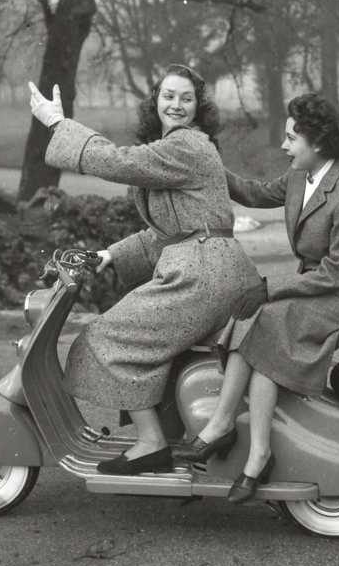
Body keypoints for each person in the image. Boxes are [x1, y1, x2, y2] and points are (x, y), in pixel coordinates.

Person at [28, 64, 259, 476]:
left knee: (104, 338)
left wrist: (58, 125)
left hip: (202, 274)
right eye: (169, 96)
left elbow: (117, 162)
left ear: (197, 107)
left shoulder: (185, 145)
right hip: (212, 268)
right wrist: (109, 255)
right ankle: (158, 435)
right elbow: (170, 233)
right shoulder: (181, 148)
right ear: (156, 100)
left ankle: (151, 443)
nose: (176, 105)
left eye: (186, 98)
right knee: (133, 339)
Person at [178, 93, 339, 503]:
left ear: (318, 144)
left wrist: (270, 287)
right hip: (318, 283)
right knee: (249, 313)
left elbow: (336, 273)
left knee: (269, 319)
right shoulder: (299, 177)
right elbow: (253, 193)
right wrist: (207, 162)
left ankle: (256, 453)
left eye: (292, 139)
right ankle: (223, 428)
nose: (285, 146)